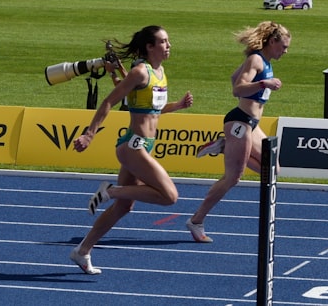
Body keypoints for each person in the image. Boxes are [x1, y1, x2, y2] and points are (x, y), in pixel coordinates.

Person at [69, 25, 195, 274]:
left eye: (169, 40)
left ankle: (82, 251)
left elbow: (152, 110)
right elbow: (109, 101)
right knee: (170, 196)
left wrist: (178, 105)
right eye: (163, 41)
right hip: (132, 146)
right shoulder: (140, 72)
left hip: (144, 144)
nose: (169, 45)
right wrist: (89, 134)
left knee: (124, 207)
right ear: (150, 46)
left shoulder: (159, 71)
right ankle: (111, 190)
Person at [187, 21, 291, 243]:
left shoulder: (263, 61)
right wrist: (264, 83)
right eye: (283, 46)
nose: (285, 51)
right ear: (272, 42)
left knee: (272, 169)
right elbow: (237, 88)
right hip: (240, 122)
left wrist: (260, 84)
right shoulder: (256, 60)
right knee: (233, 177)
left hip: (250, 124)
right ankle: (196, 221)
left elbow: (235, 78)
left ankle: (225, 145)